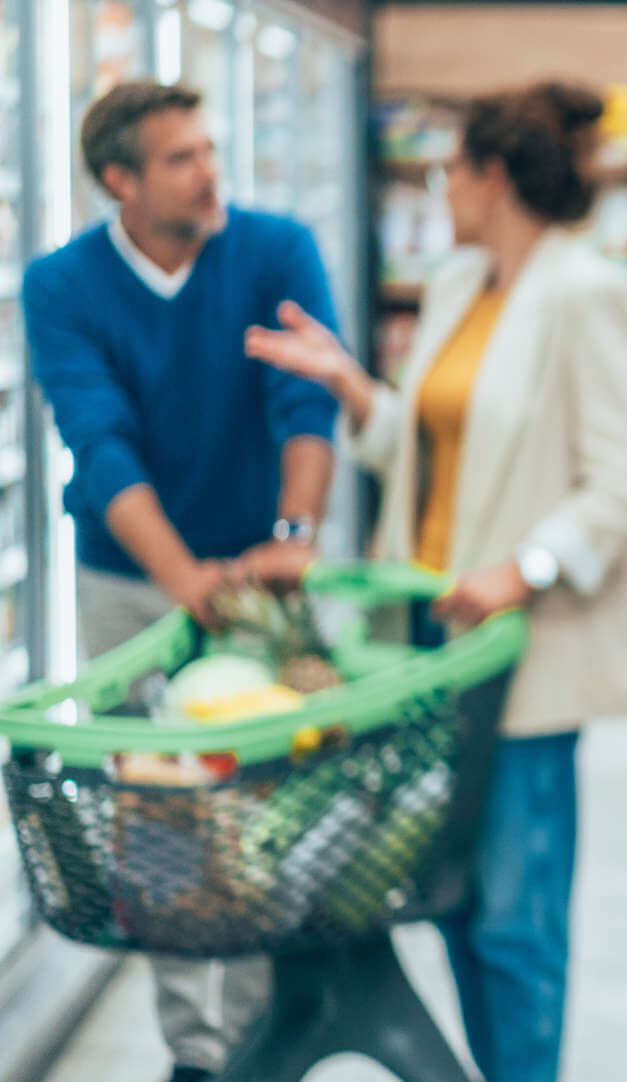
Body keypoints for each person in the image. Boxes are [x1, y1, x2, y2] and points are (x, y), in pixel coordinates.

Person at [243, 82, 627, 1082]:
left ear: (495, 175)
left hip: (521, 647)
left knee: (517, 912)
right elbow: (434, 455)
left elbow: (623, 477)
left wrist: (523, 568)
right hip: (424, 643)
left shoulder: (587, 289)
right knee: (457, 897)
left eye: (452, 170)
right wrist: (355, 392)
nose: (443, 188)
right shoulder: (456, 283)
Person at [23, 81, 341, 1082]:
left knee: (258, 806)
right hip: (130, 581)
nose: (212, 173)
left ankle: (258, 1043)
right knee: (154, 814)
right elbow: (100, 447)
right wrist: (180, 579)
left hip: (258, 572)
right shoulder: (62, 285)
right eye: (181, 158)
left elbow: (308, 406)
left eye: (210, 148)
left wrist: (291, 537)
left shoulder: (275, 248)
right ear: (119, 179)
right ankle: (195, 1054)